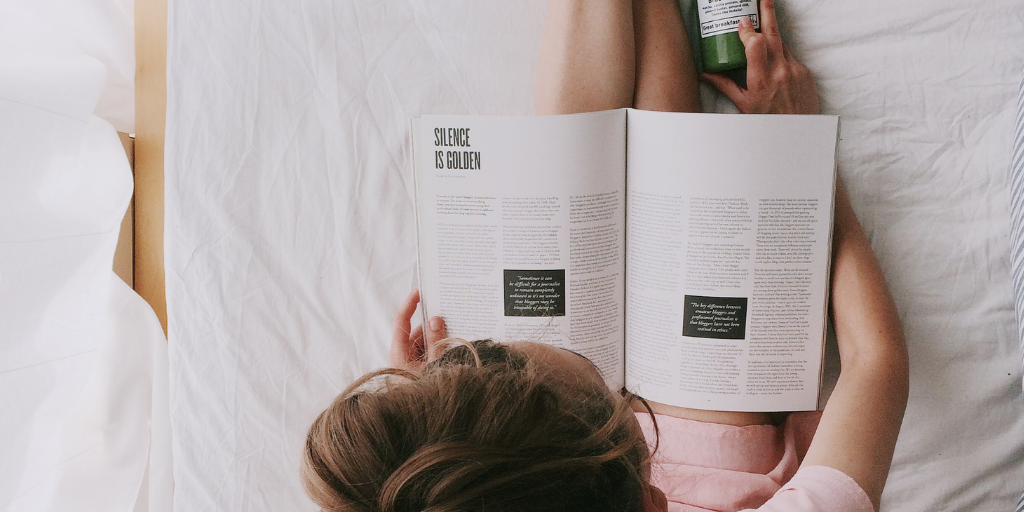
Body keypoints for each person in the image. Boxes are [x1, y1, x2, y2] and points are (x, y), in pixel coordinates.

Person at [302, 0, 909, 510]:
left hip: (530, 478)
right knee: (673, 205)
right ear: (655, 500)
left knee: (569, 179)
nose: (482, 356)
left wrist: (434, 424)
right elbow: (875, 362)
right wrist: (800, 153)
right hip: (714, 452)